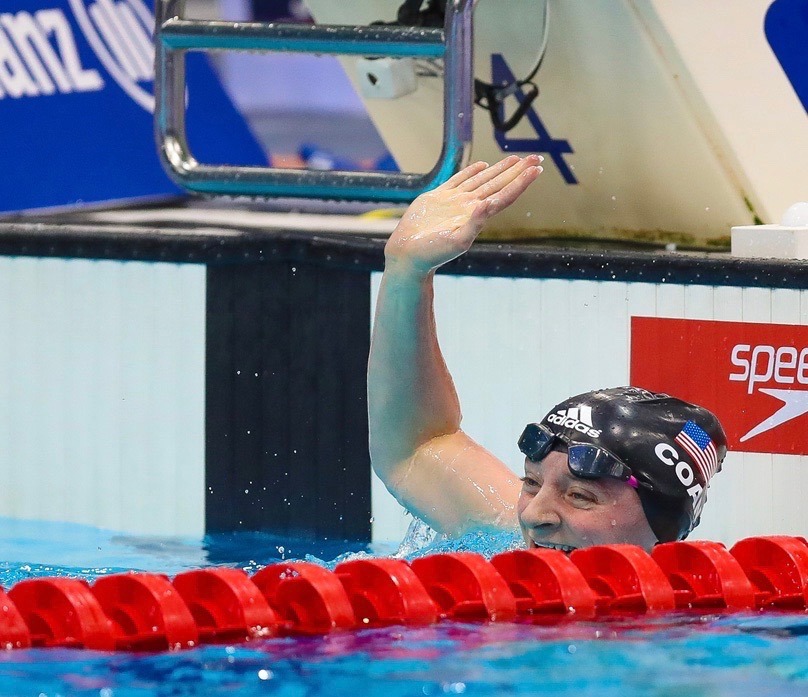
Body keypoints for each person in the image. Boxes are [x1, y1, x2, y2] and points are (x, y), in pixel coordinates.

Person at [367, 155, 727, 552]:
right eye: (531, 483)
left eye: (579, 496)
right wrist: (405, 271)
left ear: (662, 521)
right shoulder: (508, 540)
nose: (534, 517)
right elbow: (416, 445)